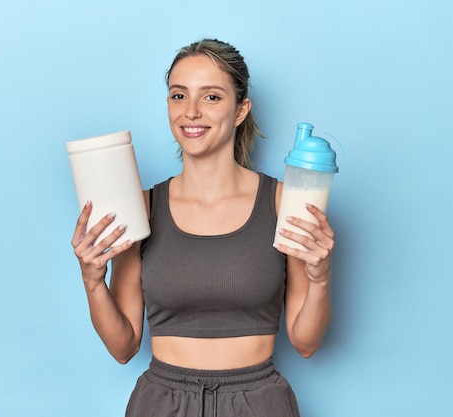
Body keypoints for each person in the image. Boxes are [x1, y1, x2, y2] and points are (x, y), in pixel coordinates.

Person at [71, 38, 334, 417]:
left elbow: (306, 342)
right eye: (179, 96)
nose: (191, 112)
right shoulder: (140, 207)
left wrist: (321, 277)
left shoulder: (283, 203)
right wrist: (92, 280)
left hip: (258, 403)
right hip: (161, 402)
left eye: (211, 97)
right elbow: (123, 347)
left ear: (241, 109)